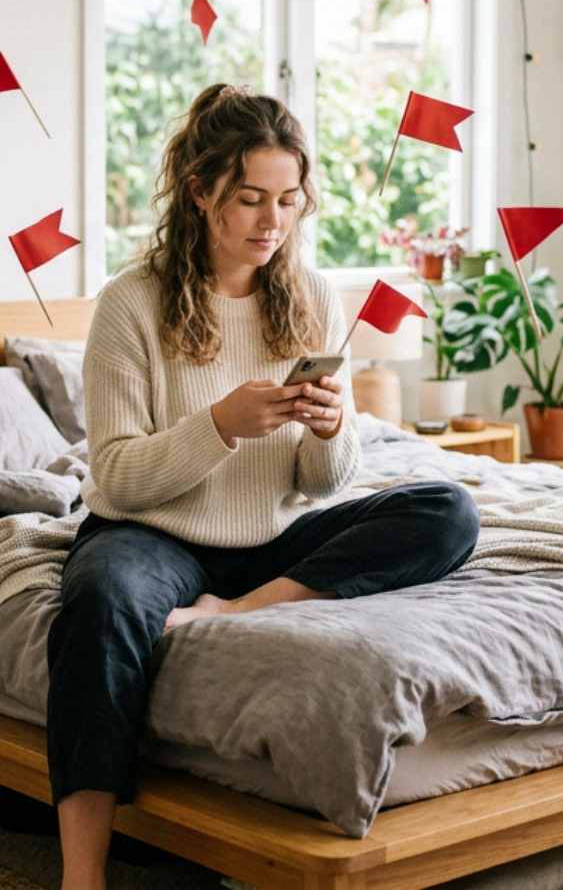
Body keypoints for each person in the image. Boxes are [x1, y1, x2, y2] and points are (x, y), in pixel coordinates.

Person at [49, 83, 480, 888]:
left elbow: (322, 483)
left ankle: (234, 612)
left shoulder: (310, 295)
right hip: (151, 536)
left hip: (272, 544)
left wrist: (328, 430)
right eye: (250, 199)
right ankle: (83, 874)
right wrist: (218, 424)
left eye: (287, 200)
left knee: (447, 510)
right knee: (101, 602)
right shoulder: (128, 305)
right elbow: (116, 475)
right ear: (200, 191)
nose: (271, 221)